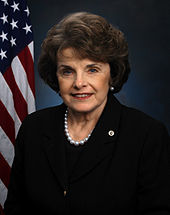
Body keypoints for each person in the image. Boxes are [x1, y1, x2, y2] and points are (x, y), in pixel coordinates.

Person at [4, 12, 170, 215]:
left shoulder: (147, 136)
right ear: (56, 77)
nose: (79, 83)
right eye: (67, 71)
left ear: (112, 74)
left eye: (92, 69)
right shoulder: (34, 128)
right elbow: (15, 209)